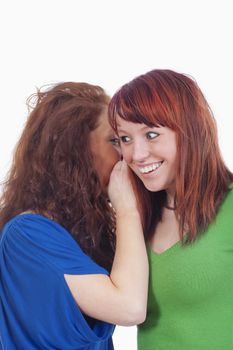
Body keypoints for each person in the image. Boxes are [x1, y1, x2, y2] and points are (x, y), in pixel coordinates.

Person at [0, 82, 149, 350]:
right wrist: (127, 208)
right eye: (115, 140)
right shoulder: (28, 233)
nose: (127, 155)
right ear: (74, 148)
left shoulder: (84, 232)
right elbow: (130, 309)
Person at [108, 69, 233, 350]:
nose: (136, 155)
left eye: (151, 134)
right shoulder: (133, 216)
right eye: (125, 139)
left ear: (191, 130)